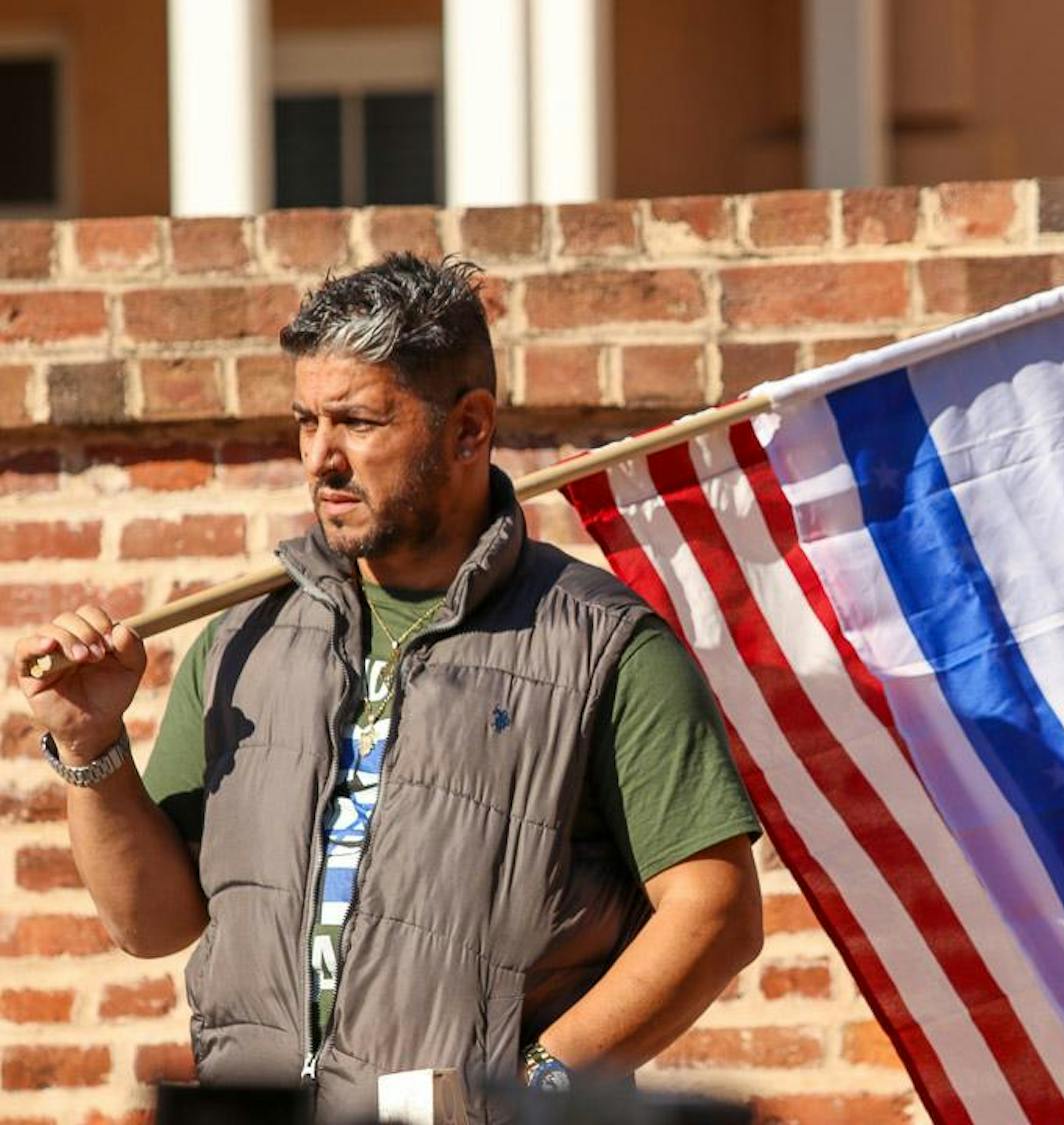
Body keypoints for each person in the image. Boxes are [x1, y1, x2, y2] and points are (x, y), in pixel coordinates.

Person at [13, 254, 764, 1124]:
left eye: (359, 421)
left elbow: (716, 914)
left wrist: (533, 1086)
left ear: (469, 428)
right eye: (305, 422)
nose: (320, 459)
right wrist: (90, 747)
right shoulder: (242, 640)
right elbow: (153, 925)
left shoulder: (602, 644)